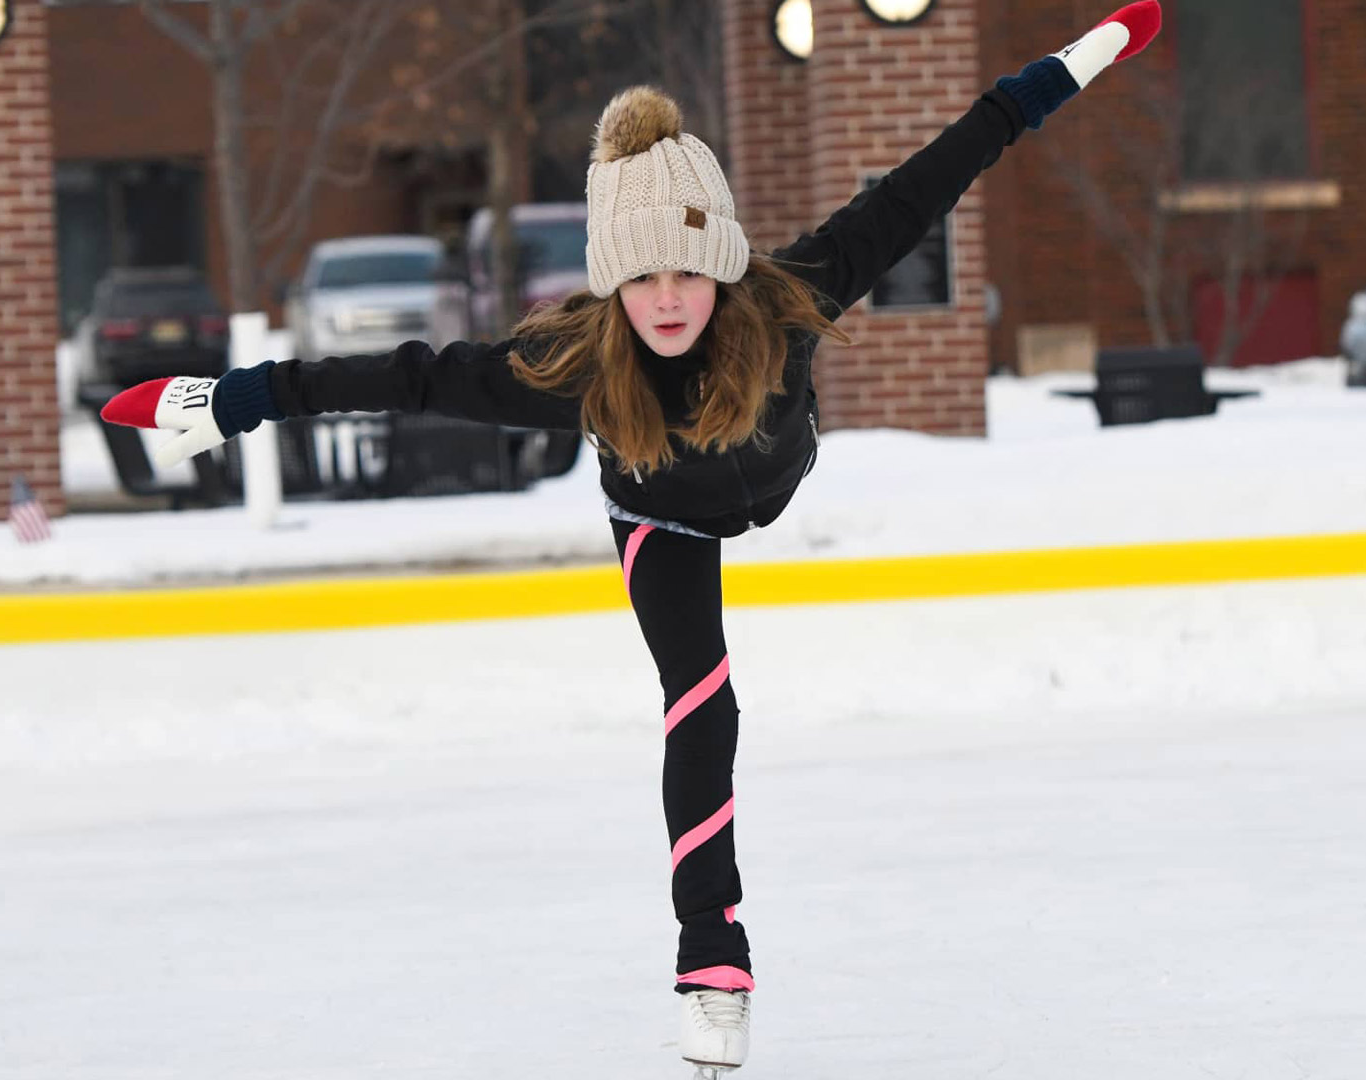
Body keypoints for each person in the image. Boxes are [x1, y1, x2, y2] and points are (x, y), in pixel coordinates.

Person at [100, 3, 1161, 1072]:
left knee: (714, 662)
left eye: (689, 271)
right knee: (701, 699)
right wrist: (231, 399)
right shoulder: (573, 368)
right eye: (641, 275)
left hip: (772, 473)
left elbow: (935, 174)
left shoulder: (792, 299)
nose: (667, 298)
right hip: (658, 508)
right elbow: (403, 376)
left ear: (726, 265)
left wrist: (1063, 69)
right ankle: (713, 965)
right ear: (611, 280)